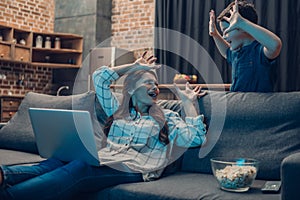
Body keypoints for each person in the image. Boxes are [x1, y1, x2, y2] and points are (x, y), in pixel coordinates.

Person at [0, 52, 207, 200]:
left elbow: (194, 138)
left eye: (155, 84)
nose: (154, 87)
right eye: (147, 82)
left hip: (138, 168)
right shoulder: (118, 110)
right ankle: (4, 175)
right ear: (132, 89)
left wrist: (189, 103)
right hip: (106, 159)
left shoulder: (166, 116)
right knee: (56, 161)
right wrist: (133, 67)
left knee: (80, 169)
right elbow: (100, 78)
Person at [209, 0, 282, 92]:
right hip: (238, 102)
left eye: (226, 30)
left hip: (256, 104)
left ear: (243, 28)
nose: (224, 36)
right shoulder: (235, 53)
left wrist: (242, 23)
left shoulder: (259, 52)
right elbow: (225, 52)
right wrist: (215, 34)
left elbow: (275, 45)